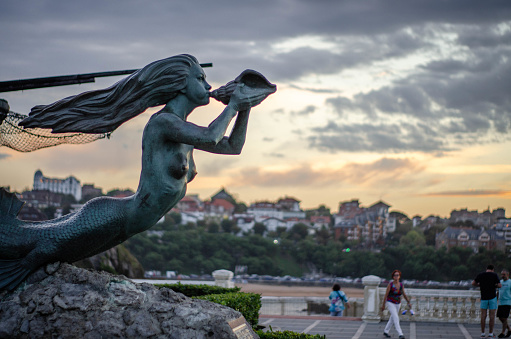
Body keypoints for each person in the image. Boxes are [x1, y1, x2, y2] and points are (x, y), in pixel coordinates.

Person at [0, 54, 276, 291]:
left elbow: (232, 146)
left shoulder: (183, 130)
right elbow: (211, 137)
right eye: (201, 79)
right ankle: (14, 271)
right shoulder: (164, 123)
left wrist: (244, 109)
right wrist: (233, 105)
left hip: (129, 224)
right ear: (179, 84)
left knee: (53, 253)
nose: (208, 86)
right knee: (46, 247)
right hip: (115, 214)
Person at [473, 264, 502, 338]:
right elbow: (499, 285)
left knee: (483, 316)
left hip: (484, 297)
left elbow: (473, 283)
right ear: (493, 269)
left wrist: (480, 285)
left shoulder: (481, 275)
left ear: (486, 269)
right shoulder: (494, 275)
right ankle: (490, 333)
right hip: (492, 297)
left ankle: (482, 333)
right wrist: (494, 285)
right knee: (492, 316)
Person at [381, 270, 411, 339]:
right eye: (395, 275)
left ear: (399, 276)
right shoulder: (390, 285)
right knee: (396, 317)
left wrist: (408, 302)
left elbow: (404, 294)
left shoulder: (401, 285)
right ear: (393, 277)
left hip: (398, 303)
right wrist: (383, 305)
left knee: (392, 318)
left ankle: (386, 331)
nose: (396, 277)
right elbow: (386, 295)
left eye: (397, 275)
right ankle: (400, 334)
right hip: (390, 302)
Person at [497, 269, 511, 338]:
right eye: (502, 274)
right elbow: (498, 291)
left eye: (504, 274)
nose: (502, 276)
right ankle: (509, 329)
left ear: (507, 275)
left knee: (504, 318)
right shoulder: (500, 282)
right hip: (501, 302)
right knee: (500, 317)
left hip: (507, 302)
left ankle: (503, 332)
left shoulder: (510, 282)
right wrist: (496, 299)